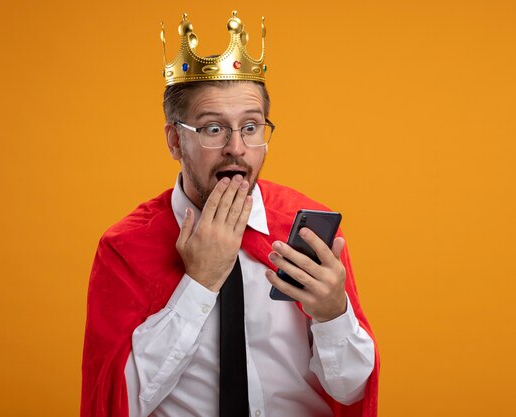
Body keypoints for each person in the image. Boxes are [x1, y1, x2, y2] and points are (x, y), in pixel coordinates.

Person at [81, 11, 379, 417]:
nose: (237, 148)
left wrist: (333, 315)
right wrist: (199, 283)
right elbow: (118, 402)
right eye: (213, 128)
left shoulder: (303, 229)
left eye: (251, 127)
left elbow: (351, 391)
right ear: (175, 140)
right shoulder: (126, 249)